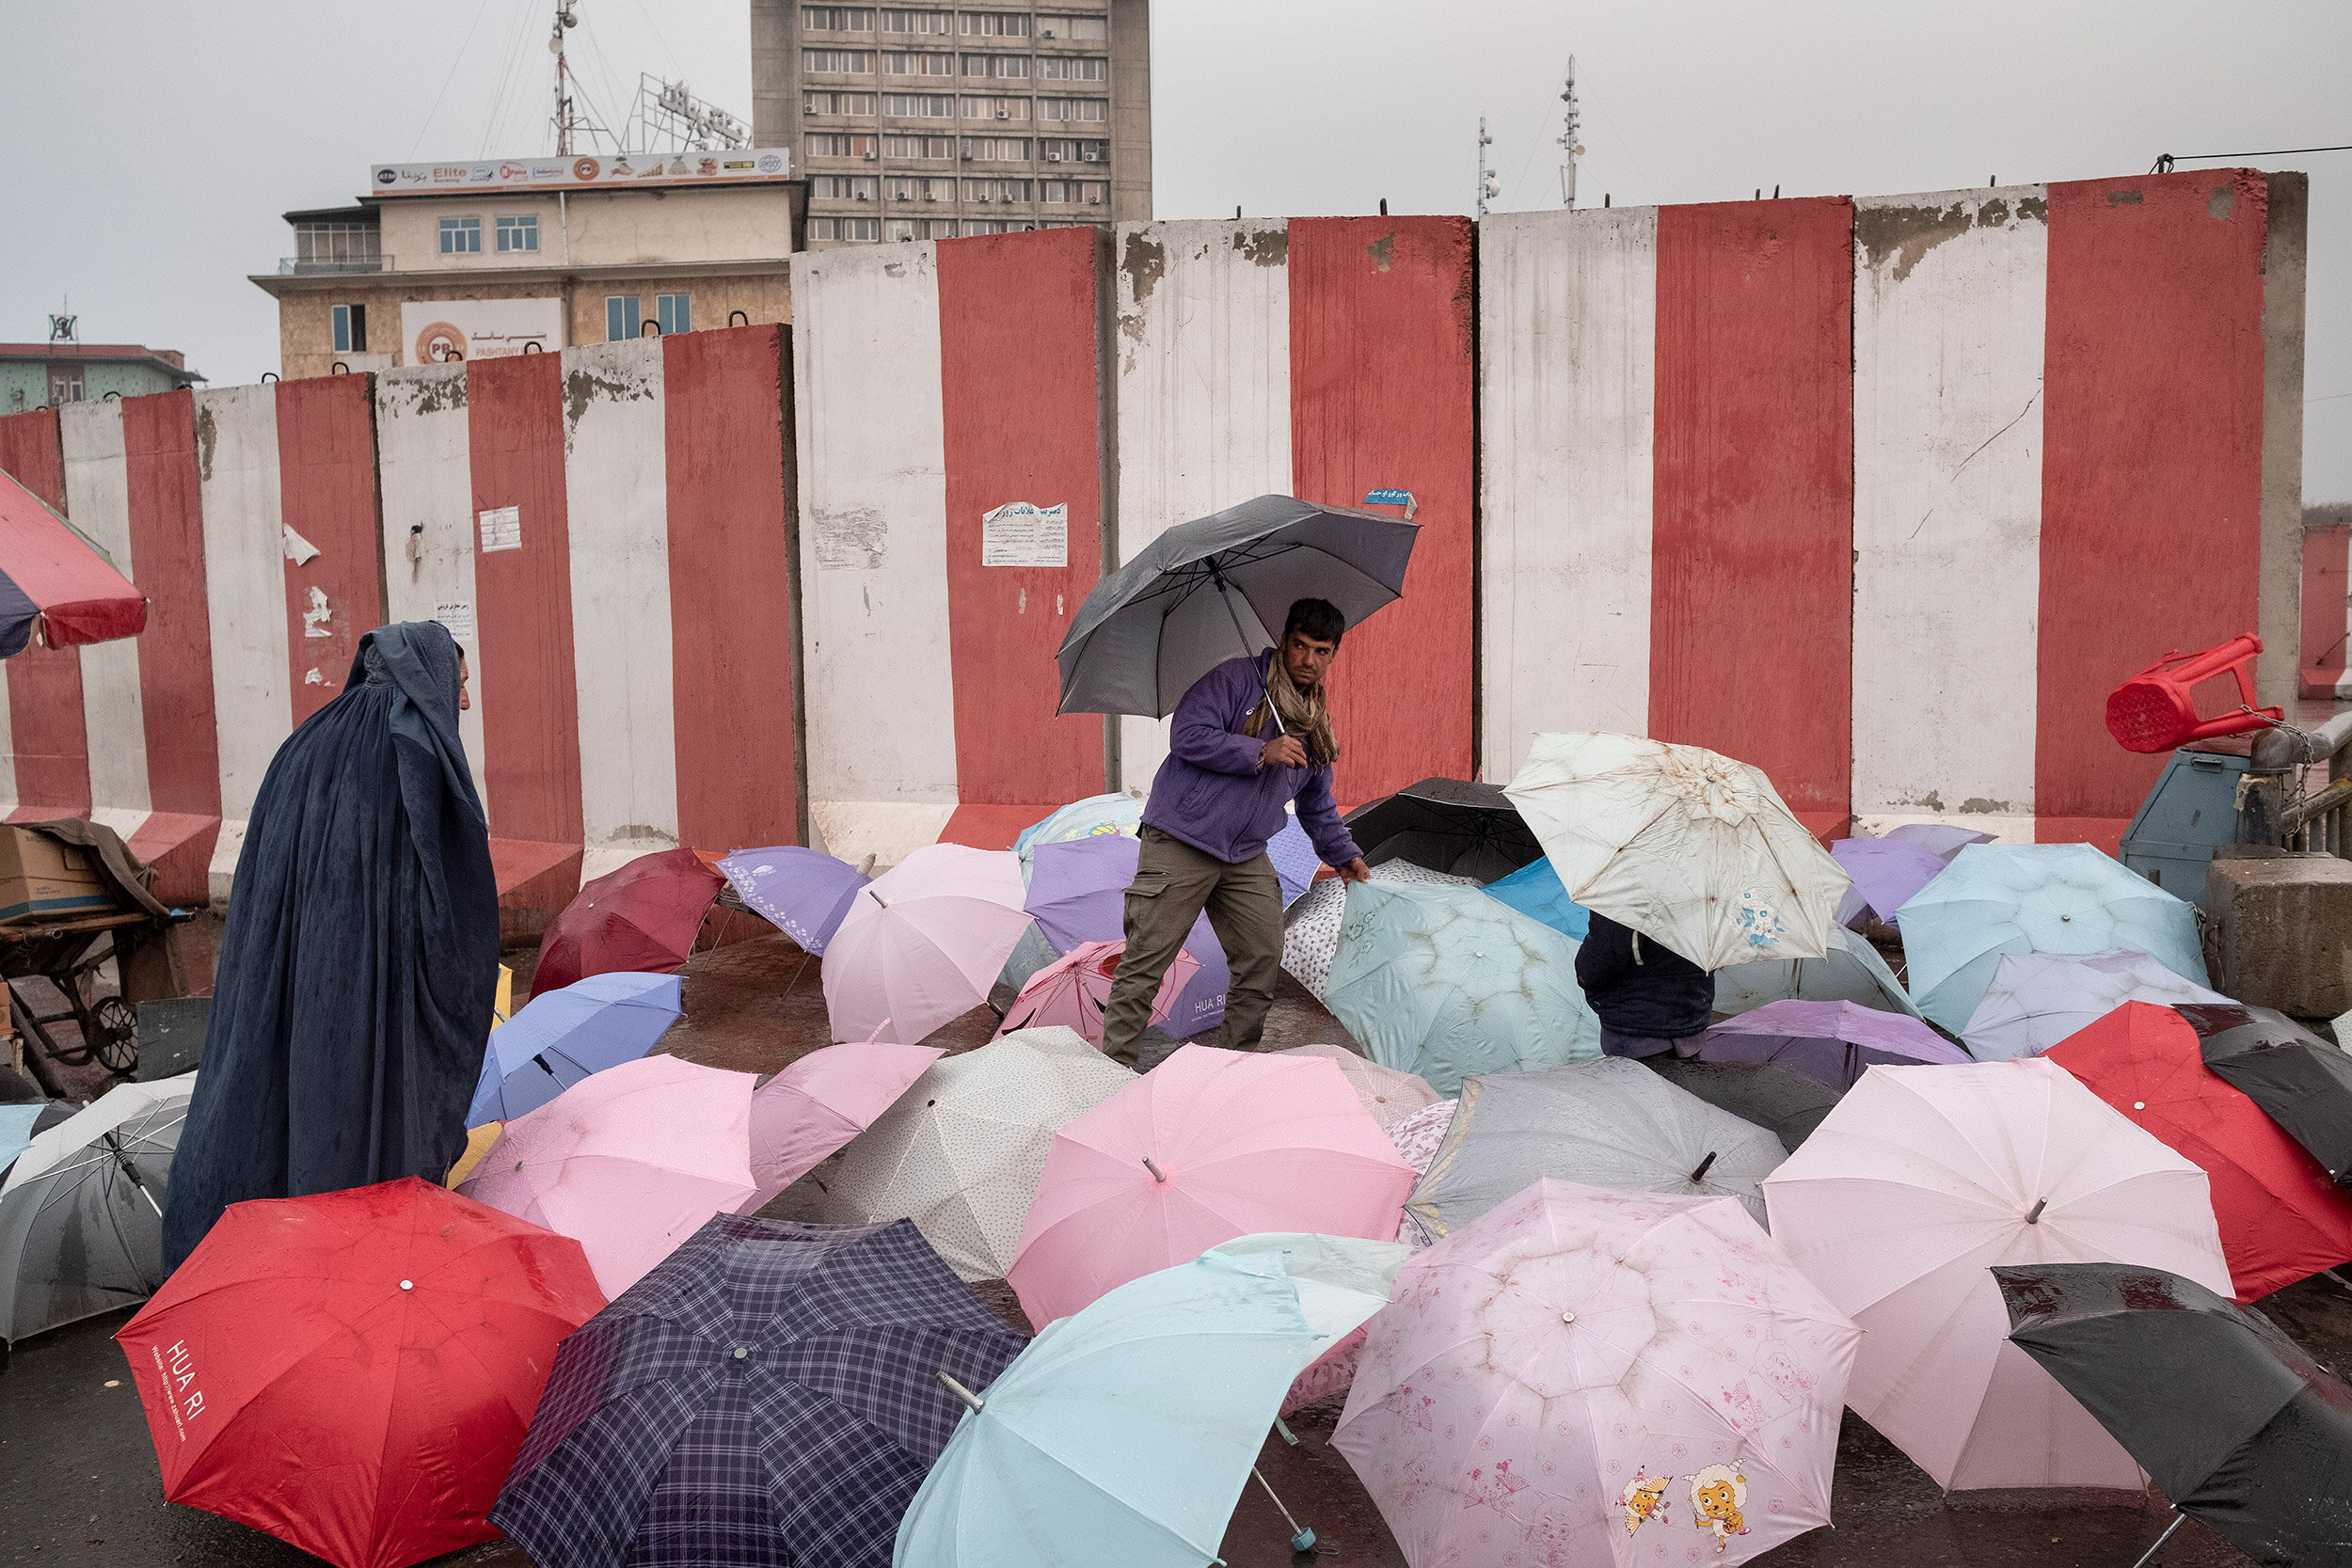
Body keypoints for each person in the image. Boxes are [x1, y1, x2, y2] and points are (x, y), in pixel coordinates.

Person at [163, 622, 500, 1271]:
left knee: (271, 1102)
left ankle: (252, 1265)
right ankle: (350, 1266)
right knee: (351, 1118)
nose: (462, 703)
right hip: (362, 993)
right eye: (458, 685)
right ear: (424, 681)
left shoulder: (304, 741)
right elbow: (449, 903)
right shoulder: (412, 753)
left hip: (281, 978)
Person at [1099, 597, 1373, 1060]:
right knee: (1146, 962)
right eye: (1300, 646)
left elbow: (1316, 804)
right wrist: (1259, 752)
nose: (1308, 660)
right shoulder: (1234, 680)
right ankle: (1111, 1071)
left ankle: (1232, 1067)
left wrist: (1344, 855)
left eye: (1321, 651)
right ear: (1284, 640)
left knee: (1262, 960)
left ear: (1334, 655)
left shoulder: (1313, 725)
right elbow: (1186, 734)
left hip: (1244, 853)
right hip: (1182, 840)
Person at [1573, 911, 1715, 1057]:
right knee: (1682, 1079)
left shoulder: (1629, 894)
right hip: (1691, 1025)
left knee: (1638, 1079)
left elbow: (1592, 969)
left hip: (1637, 1032)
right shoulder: (1708, 893)